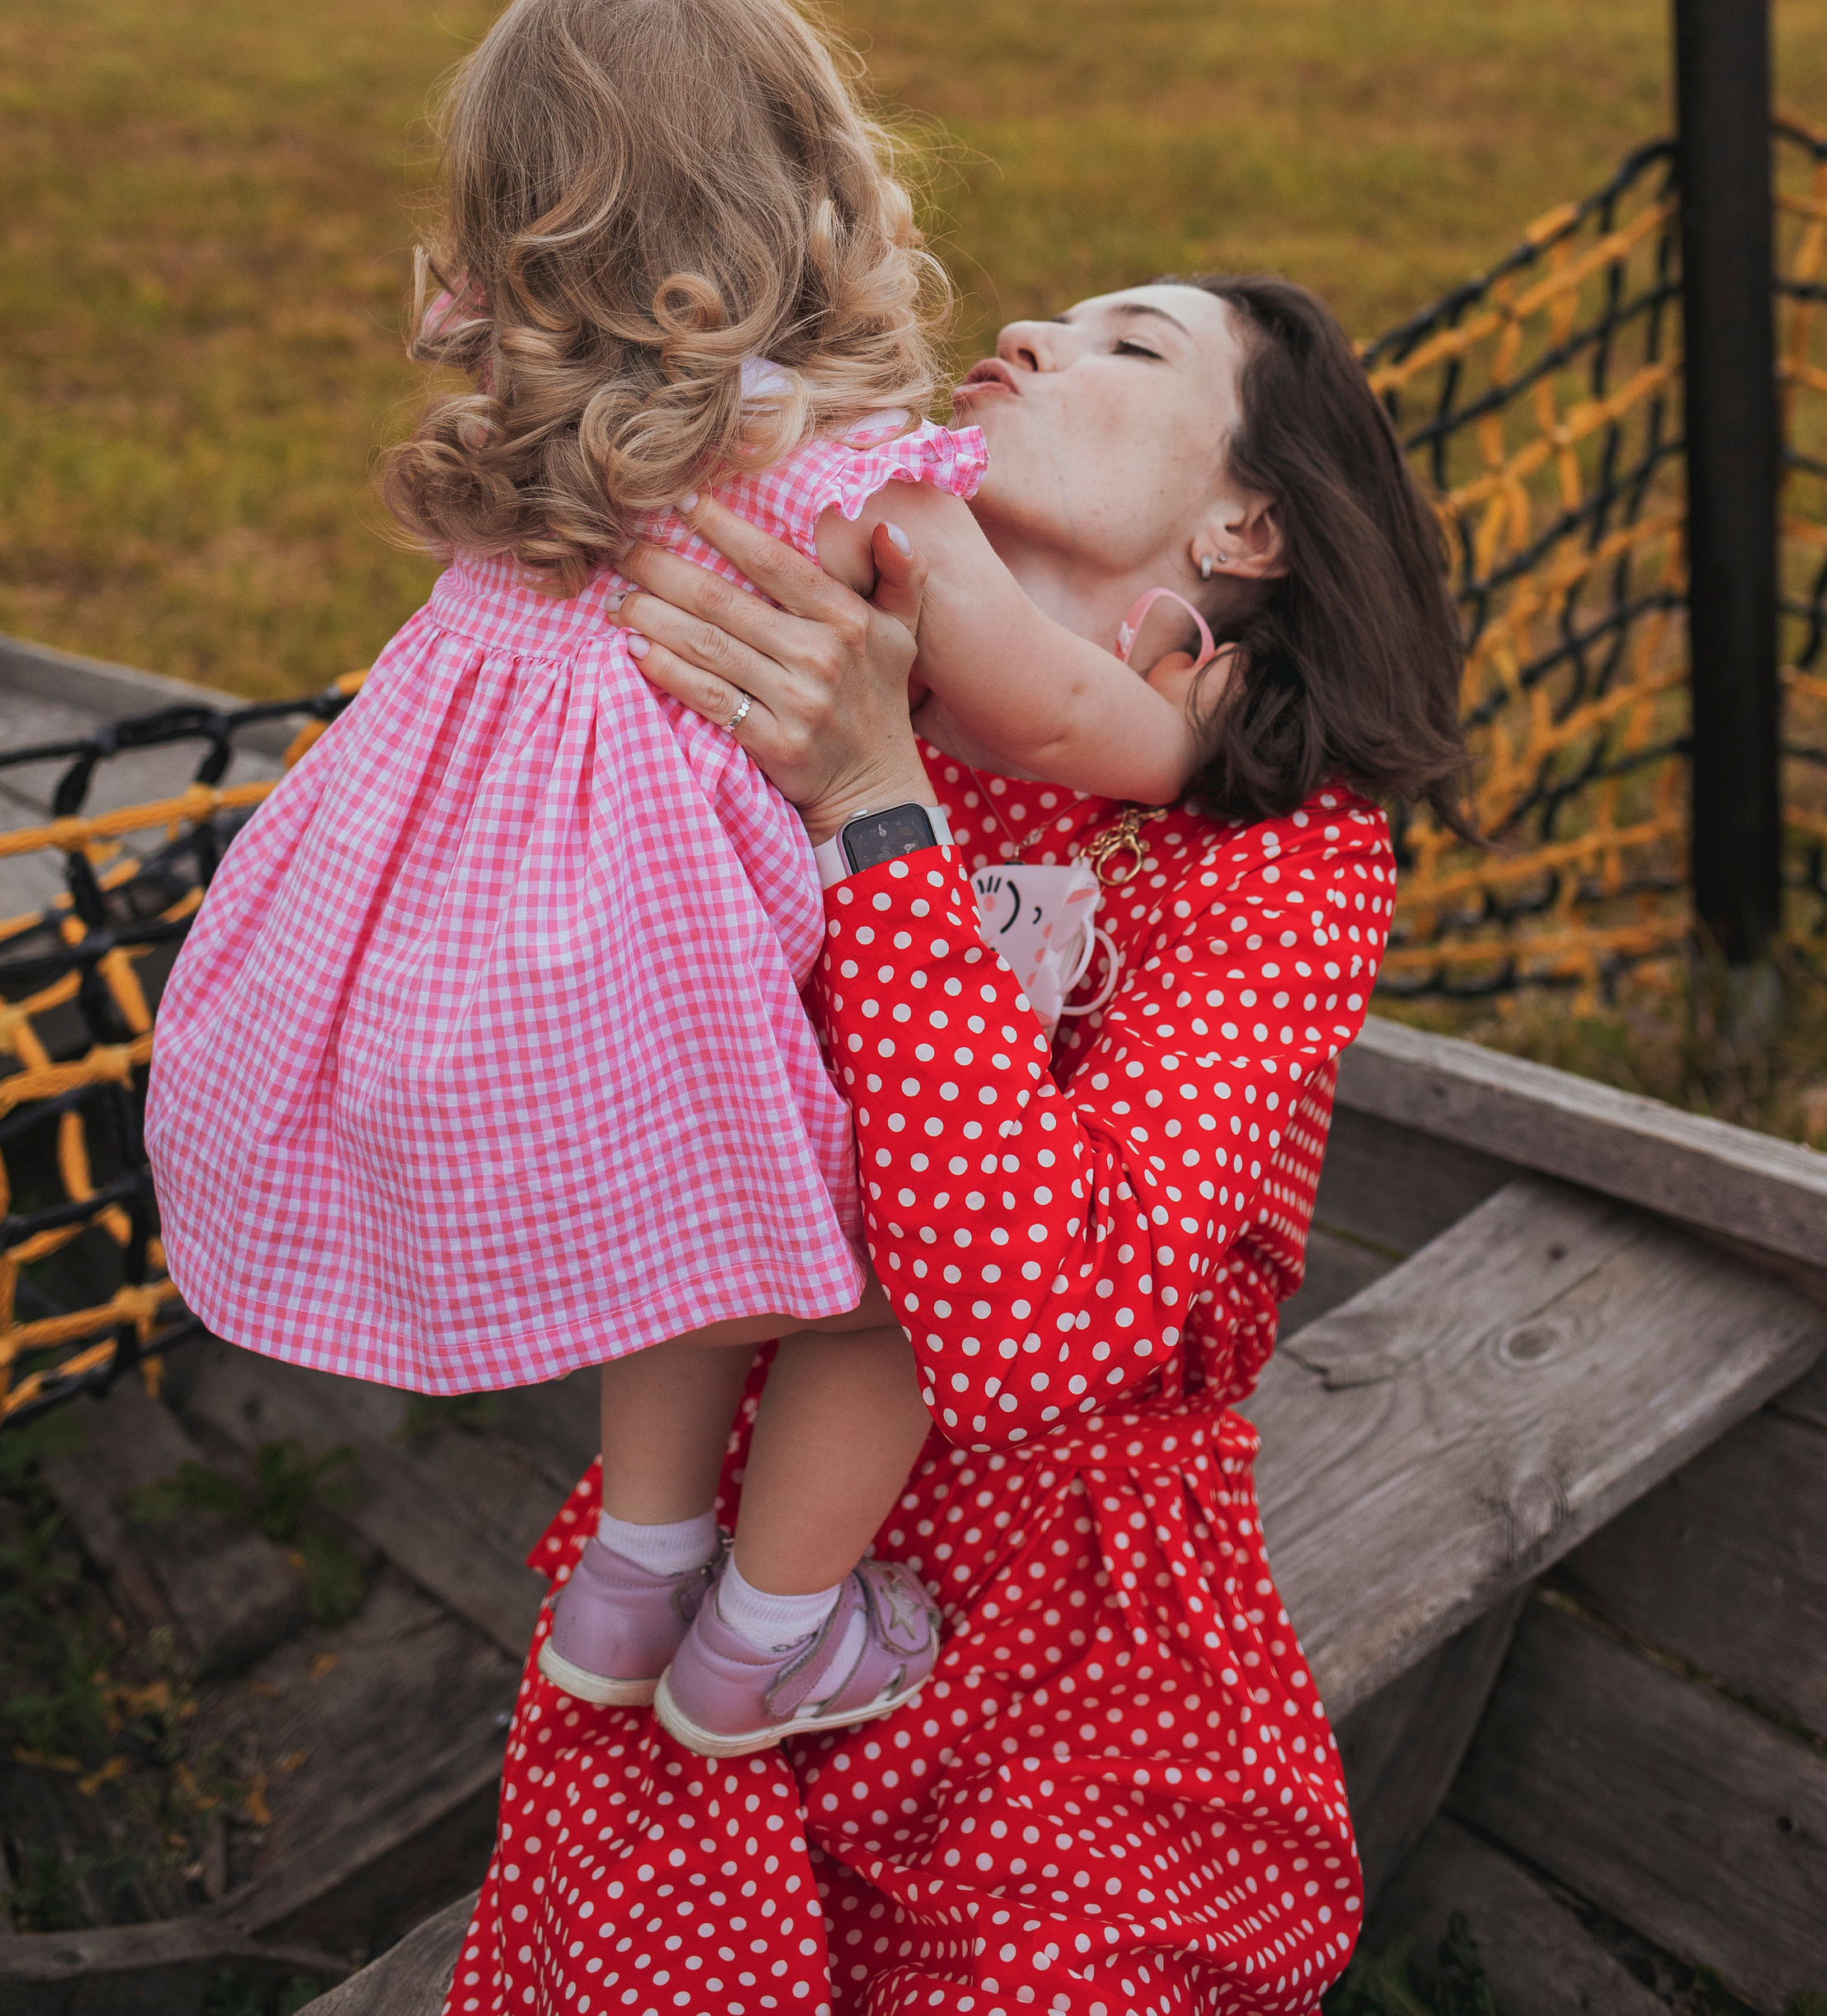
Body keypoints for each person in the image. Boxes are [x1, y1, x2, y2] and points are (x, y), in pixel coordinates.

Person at [146, 0, 1233, 1763]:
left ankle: (633, 1574)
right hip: (663, 974)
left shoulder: (532, 451)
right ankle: (767, 1641)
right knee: (889, 1253)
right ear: (815, 194)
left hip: (478, 967)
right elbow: (1041, 715)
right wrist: (1190, 737)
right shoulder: (838, 466)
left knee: (687, 1253)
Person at [450, 268, 1474, 2016]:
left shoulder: (1284, 855)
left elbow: (1035, 1317)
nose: (1029, 341)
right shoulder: (828, 654)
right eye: (1045, 320)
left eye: (1123, 344)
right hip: (701, 1555)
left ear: (1250, 523)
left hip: (1050, 1656)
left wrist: (872, 809)